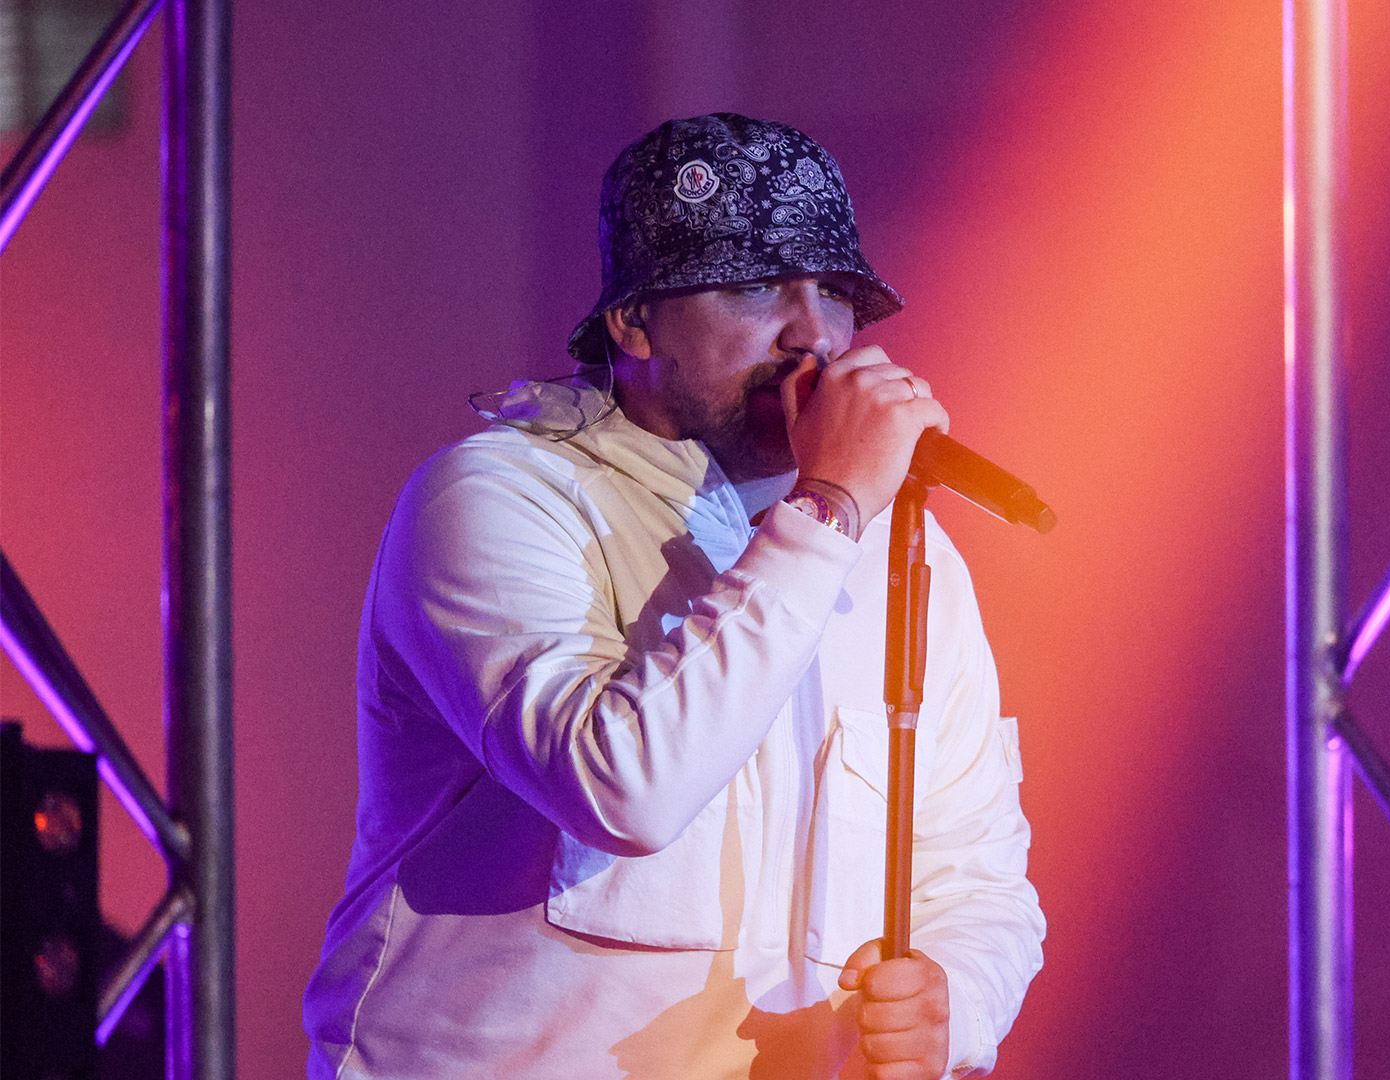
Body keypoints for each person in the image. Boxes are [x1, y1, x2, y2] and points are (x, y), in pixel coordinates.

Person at [302, 113, 1044, 1079]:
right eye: (754, 287)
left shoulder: (902, 551)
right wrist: (826, 507)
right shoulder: (499, 497)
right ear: (633, 319)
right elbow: (624, 791)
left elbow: (980, 881)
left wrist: (956, 1002)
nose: (812, 334)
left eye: (834, 292)